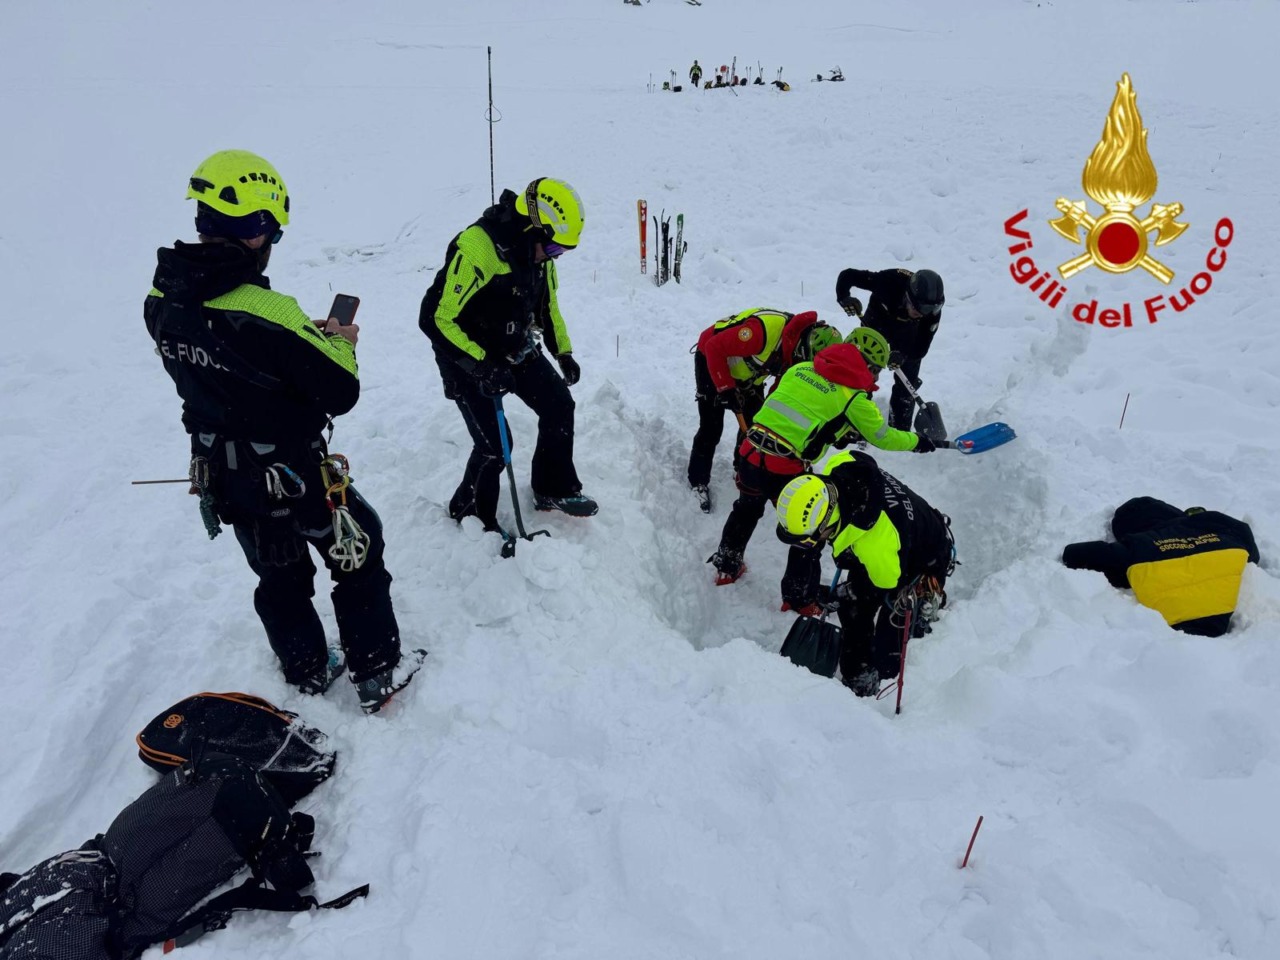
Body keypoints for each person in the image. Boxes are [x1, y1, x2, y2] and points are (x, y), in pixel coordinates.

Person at [144, 149, 423, 714]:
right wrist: (337, 342)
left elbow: (220, 365)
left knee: (278, 568)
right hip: (291, 470)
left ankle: (308, 667)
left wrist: (295, 348)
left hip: (226, 473)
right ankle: (376, 671)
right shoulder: (268, 309)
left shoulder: (160, 300)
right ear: (259, 231)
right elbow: (339, 389)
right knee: (357, 550)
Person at [709, 328, 936, 611]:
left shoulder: (802, 368)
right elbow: (884, 437)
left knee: (746, 508)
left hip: (750, 452)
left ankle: (727, 565)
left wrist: (834, 430)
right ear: (868, 366)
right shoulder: (854, 396)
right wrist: (918, 441)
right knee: (810, 533)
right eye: (876, 371)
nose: (875, 378)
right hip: (783, 466)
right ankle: (798, 599)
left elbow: (793, 407)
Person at [420, 178, 597, 529]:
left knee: (559, 405)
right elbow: (436, 319)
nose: (554, 256)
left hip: (514, 345)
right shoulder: (477, 248)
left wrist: (563, 352)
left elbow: (548, 306)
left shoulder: (539, 256)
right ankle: (469, 514)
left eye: (560, 252)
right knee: (496, 447)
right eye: (554, 249)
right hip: (465, 355)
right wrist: (482, 366)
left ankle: (552, 487)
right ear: (533, 229)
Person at [775, 451, 955, 696]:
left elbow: (886, 582)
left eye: (810, 538)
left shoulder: (875, 543)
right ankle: (856, 667)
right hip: (904, 536)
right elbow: (855, 453)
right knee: (853, 609)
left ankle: (879, 675)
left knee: (890, 620)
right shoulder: (843, 468)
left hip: (922, 557)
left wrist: (846, 591)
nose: (809, 544)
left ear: (827, 521)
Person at [687, 309, 826, 511]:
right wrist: (726, 388)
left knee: (754, 423)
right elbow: (713, 347)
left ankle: (742, 468)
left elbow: (780, 386)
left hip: (750, 374)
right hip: (712, 360)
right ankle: (698, 480)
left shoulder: (795, 350)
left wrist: (769, 413)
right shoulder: (762, 332)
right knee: (711, 428)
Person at [1062, 497, 1260, 636]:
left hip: (1178, 631)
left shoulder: (1138, 547)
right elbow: (1253, 555)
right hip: (1224, 618)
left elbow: (1073, 555)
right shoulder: (1225, 529)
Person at [834, 266, 944, 429]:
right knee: (862, 371)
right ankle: (854, 419)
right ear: (908, 295)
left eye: (928, 310)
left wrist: (903, 355)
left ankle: (900, 429)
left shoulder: (931, 312)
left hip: (908, 334)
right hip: (877, 321)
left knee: (907, 382)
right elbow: (847, 276)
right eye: (918, 308)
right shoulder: (888, 281)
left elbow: (921, 348)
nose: (922, 313)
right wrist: (844, 297)